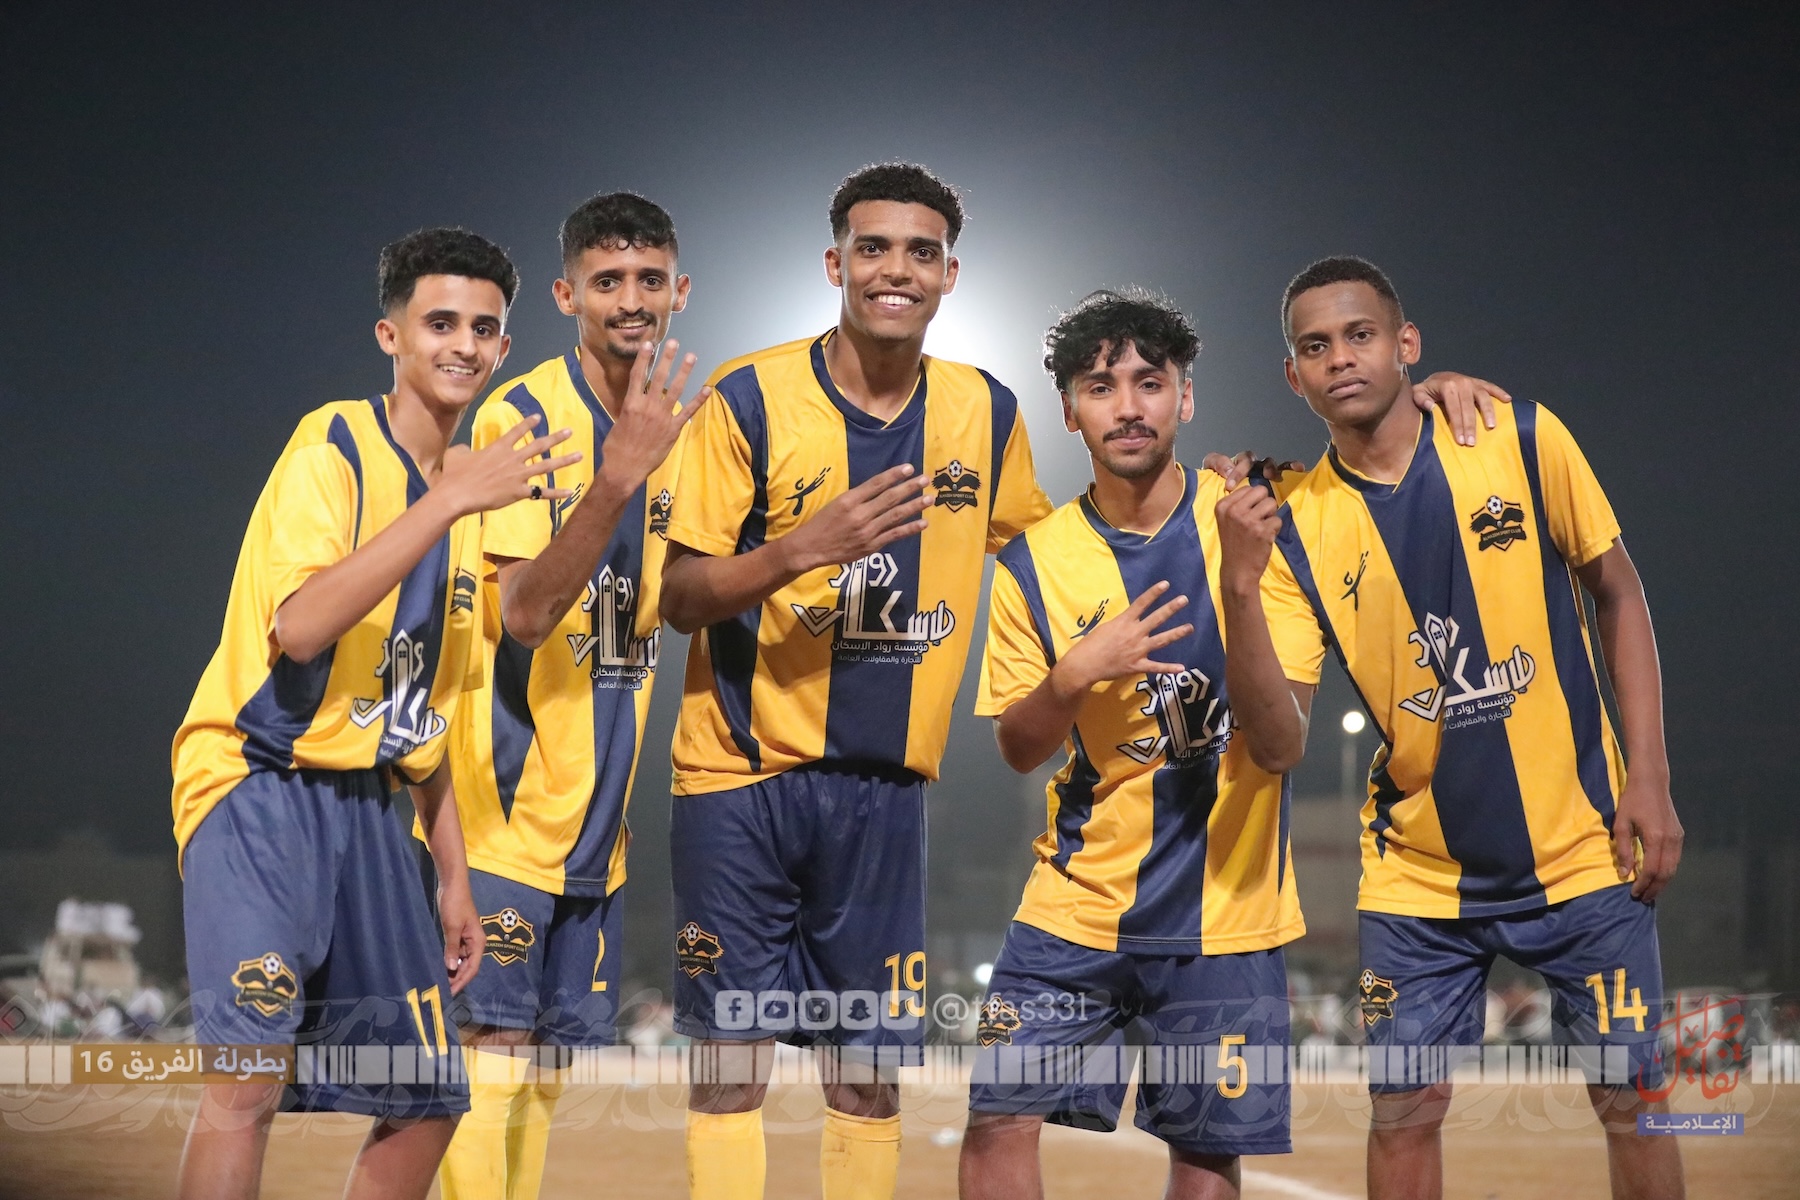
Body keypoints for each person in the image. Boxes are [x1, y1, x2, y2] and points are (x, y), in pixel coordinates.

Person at [1216, 255, 1685, 1200]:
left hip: (1583, 848)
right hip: (1419, 878)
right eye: (1316, 346)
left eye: (1360, 335)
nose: (1341, 358)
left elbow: (1618, 593)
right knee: (1403, 1113)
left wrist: (1651, 777)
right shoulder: (1290, 526)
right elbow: (1281, 742)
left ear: (1407, 343)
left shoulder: (1517, 434)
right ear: (1293, 376)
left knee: (1633, 1102)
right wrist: (1238, 585)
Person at [658, 161, 1056, 1200]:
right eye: (872, 248)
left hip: (884, 788)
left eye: (921, 252)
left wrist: (1194, 496)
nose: (896, 270)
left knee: (869, 1076)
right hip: (737, 777)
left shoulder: (985, 409)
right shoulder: (749, 395)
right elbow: (681, 594)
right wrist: (802, 548)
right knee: (731, 1063)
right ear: (835, 265)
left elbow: (1055, 557)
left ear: (950, 275)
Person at [170, 227, 578, 1200]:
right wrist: (447, 501)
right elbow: (302, 626)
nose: (464, 345)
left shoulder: (472, 507)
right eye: (441, 323)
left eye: (484, 328)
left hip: (367, 809)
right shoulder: (336, 445)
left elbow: (422, 721)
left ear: (503, 347)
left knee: (430, 1097)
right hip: (258, 783)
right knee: (248, 1082)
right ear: (390, 335)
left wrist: (453, 877)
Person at [959, 291, 1304, 1200]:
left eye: (1150, 383)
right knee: (996, 1120)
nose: (1128, 407)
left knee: (1204, 1152)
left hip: (1228, 912)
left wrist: (1239, 587)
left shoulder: (1257, 522)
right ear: (1070, 410)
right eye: (1100, 387)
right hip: (1076, 905)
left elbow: (1280, 745)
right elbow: (1017, 747)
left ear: (1185, 397)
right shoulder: (1032, 561)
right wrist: (1073, 675)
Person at [430, 193, 709, 1199]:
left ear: (680, 291)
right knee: (492, 1044)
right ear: (566, 296)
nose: (630, 300)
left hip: (598, 819)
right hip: (505, 807)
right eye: (607, 281)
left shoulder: (689, 427)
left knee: (546, 1063)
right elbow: (525, 613)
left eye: (649, 280)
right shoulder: (525, 417)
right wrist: (618, 474)